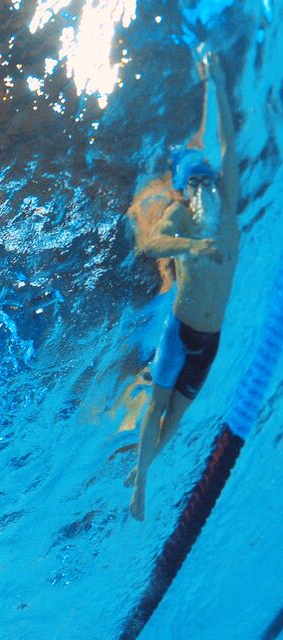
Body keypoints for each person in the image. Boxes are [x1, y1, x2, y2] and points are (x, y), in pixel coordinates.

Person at [127, 51, 238, 520]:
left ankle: (142, 468)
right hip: (180, 331)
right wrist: (189, 249)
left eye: (208, 182)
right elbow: (151, 244)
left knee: (177, 418)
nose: (205, 191)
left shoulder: (226, 204)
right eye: (197, 185)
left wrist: (217, 83)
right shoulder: (180, 217)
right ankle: (141, 487)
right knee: (156, 410)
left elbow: (229, 144)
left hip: (210, 340)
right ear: (186, 187)